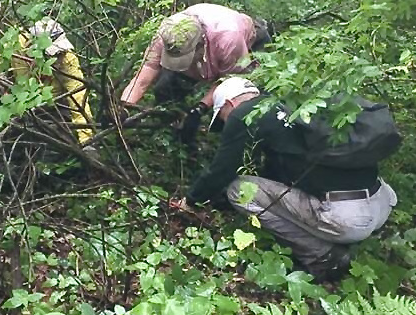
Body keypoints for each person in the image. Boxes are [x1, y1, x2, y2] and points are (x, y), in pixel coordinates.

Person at [170, 77, 398, 281]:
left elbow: (221, 171)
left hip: (347, 219)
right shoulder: (288, 102)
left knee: (238, 189)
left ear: (229, 104)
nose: (225, 123)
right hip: (381, 204)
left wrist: (190, 201)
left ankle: (323, 256)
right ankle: (347, 235)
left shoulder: (243, 114)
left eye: (222, 117)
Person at [121, 3, 271, 142]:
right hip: (212, 43)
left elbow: (229, 80)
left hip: (247, 40)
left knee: (238, 104)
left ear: (200, 45)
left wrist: (200, 108)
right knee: (164, 89)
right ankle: (172, 132)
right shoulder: (168, 34)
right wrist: (124, 107)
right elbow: (144, 75)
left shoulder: (228, 42)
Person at [0, 18, 94, 149]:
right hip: (20, 101)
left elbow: (78, 96)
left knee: (59, 137)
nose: (54, 57)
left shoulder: (67, 59)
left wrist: (86, 140)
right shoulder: (16, 44)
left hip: (56, 106)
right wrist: (1, 83)